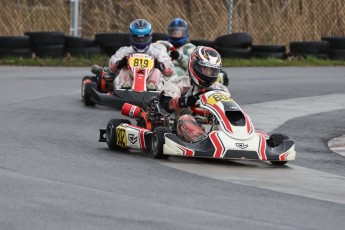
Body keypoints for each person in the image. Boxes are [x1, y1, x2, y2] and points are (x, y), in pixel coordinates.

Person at [159, 46, 231, 143]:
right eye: (205, 69)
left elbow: (228, 108)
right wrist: (184, 101)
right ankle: (202, 141)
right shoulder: (179, 83)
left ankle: (232, 137)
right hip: (185, 123)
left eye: (212, 70)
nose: (209, 74)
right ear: (194, 66)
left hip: (211, 122)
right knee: (185, 119)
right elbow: (166, 103)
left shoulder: (220, 88)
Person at [156, 18, 229, 86]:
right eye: (174, 33)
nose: (176, 35)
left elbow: (192, 64)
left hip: (182, 73)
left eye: (178, 33)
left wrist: (179, 57)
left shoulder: (189, 47)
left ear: (184, 33)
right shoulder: (165, 46)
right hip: (164, 69)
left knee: (172, 71)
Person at [109, 19, 174, 90]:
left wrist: (160, 65)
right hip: (130, 83)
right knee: (124, 70)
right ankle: (125, 86)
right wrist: (120, 63)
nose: (140, 41)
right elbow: (112, 67)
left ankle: (152, 86)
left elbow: (170, 71)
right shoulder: (125, 51)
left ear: (150, 36)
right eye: (137, 38)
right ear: (131, 37)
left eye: (144, 38)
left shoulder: (157, 51)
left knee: (157, 71)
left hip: (150, 82)